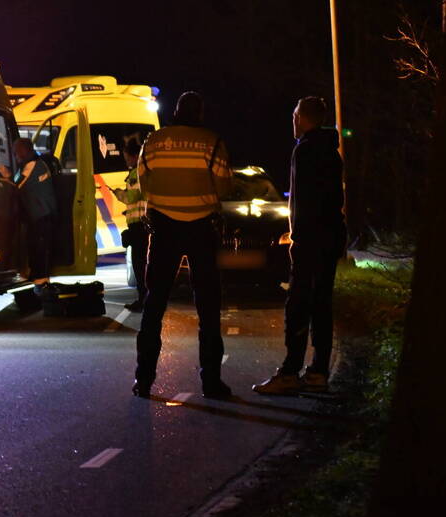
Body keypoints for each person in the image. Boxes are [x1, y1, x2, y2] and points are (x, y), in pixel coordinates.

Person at [133, 92, 233, 400]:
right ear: (200, 113)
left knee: (154, 305)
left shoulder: (153, 141)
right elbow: (224, 186)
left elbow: (143, 181)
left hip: (163, 230)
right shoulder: (211, 141)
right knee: (208, 307)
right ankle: (211, 382)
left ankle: (144, 380)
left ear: (175, 112)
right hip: (201, 229)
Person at [254, 96, 346, 395]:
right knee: (321, 304)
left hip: (310, 241)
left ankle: (290, 371)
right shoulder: (332, 151)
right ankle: (319, 371)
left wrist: (297, 240)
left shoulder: (304, 151)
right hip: (330, 238)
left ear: (303, 118)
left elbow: (303, 201)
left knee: (297, 305)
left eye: (295, 116)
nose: (292, 122)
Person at [13, 138, 58, 297]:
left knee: (39, 250)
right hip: (42, 214)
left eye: (17, 152)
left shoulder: (32, 166)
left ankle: (41, 287)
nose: (16, 155)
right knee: (38, 249)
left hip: (41, 215)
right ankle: (41, 284)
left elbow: (17, 186)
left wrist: (4, 177)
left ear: (26, 150)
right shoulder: (37, 164)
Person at [113, 139, 147, 313]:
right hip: (142, 224)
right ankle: (144, 299)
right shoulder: (144, 171)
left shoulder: (135, 173)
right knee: (141, 264)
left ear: (134, 156)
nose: (126, 161)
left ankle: (143, 299)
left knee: (139, 265)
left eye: (127, 157)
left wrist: (119, 193)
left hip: (138, 226)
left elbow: (131, 198)